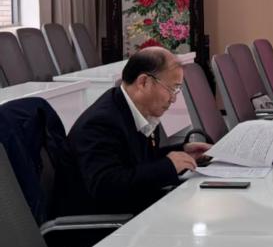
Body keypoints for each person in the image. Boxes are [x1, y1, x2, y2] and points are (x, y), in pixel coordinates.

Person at [63, 47, 211, 215]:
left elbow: (136, 161)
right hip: (105, 223)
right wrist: (167, 167)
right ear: (143, 82)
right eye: (171, 89)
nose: (173, 98)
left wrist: (183, 153)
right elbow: (106, 186)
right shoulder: (101, 123)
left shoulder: (134, 108)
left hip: (133, 210)